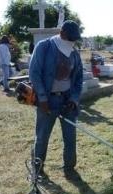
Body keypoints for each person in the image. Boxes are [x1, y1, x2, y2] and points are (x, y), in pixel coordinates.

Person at [29, 20, 83, 176]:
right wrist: (43, 98)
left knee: (70, 137)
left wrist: (73, 99)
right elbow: (35, 73)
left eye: (75, 39)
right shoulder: (44, 47)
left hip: (67, 101)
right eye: (70, 38)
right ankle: (38, 170)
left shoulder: (74, 53)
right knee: (42, 137)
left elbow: (78, 79)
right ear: (62, 33)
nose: (72, 42)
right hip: (48, 101)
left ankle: (69, 169)